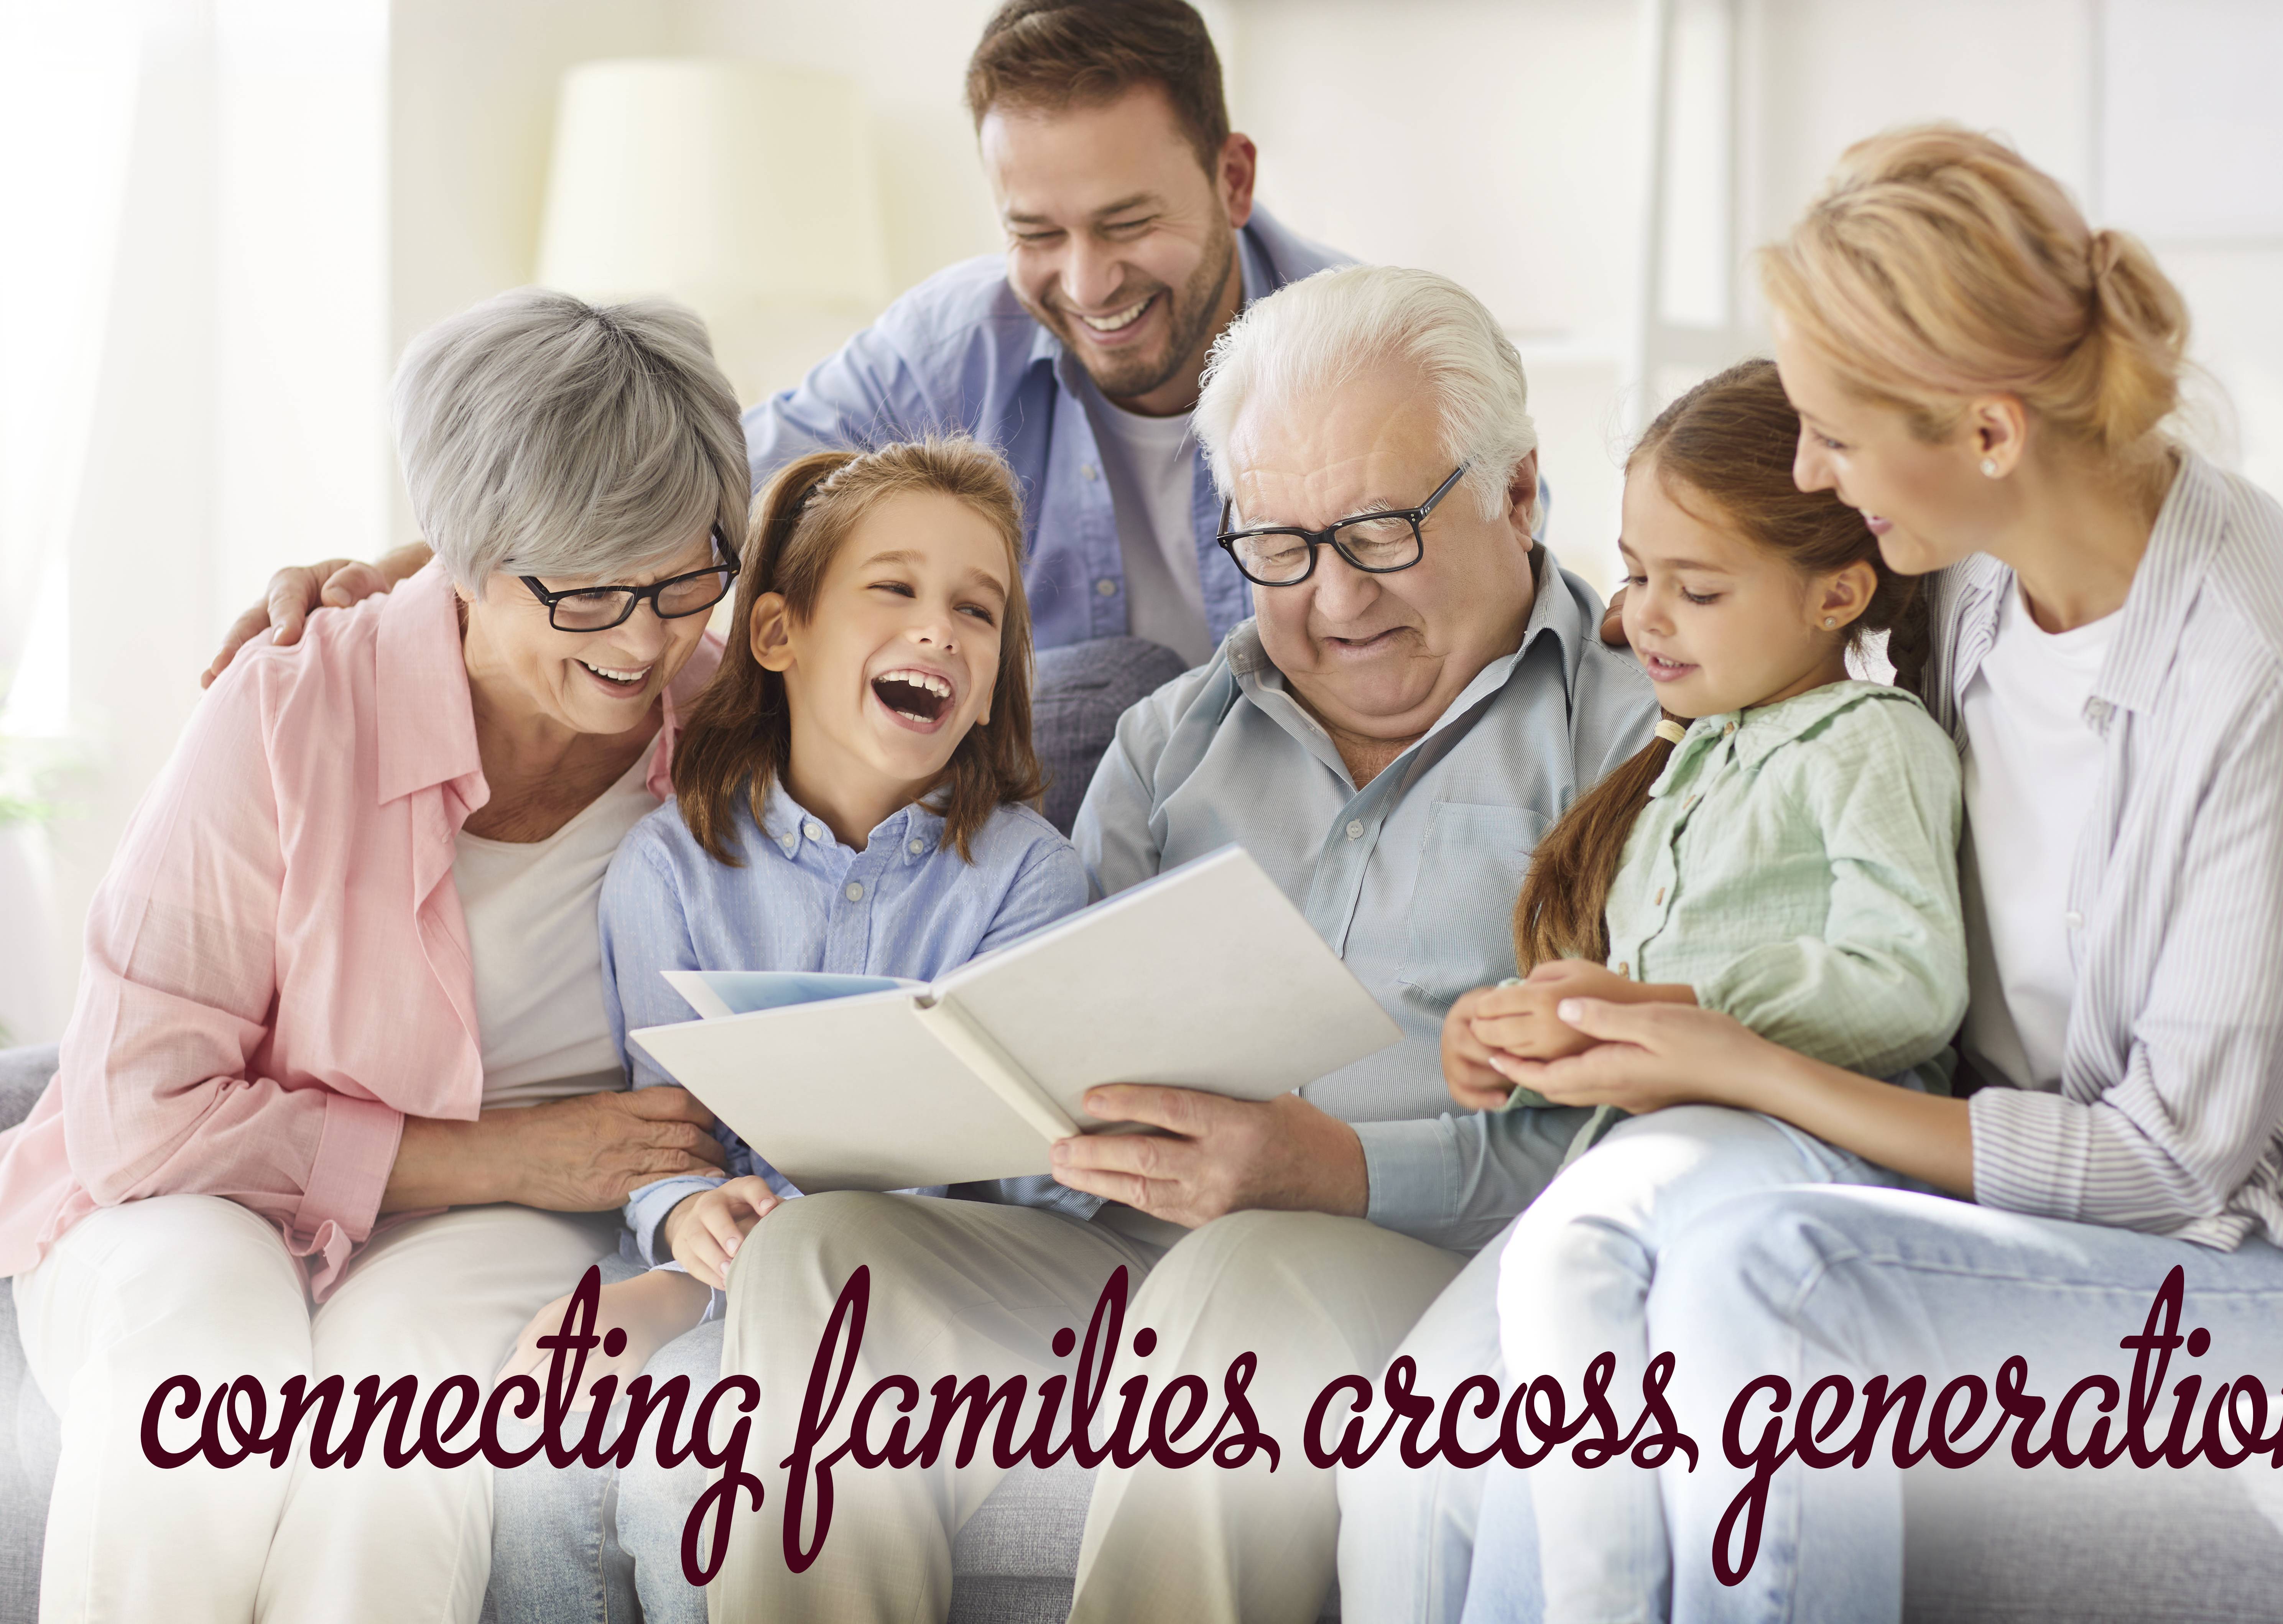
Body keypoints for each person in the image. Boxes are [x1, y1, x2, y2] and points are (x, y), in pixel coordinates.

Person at [1458, 125, 2283, 1623]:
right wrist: (1625, 1013)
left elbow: (2170, 1165)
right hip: (2032, 1221)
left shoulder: (2273, 678)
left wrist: (1744, 1063)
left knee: (1768, 1269)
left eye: (1834, 436)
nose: (1811, 472)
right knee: (1590, 1271)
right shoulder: (1977, 584)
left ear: (1989, 432)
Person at [702, 264, 1658, 1624]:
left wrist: (1333, 1169)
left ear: (1515, 493)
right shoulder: (1174, 741)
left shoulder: (1633, 736)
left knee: (1241, 1273)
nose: (1333, 601)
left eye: (1380, 532)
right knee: (823, 1257)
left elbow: (1651, 1121)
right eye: (1277, 547)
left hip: (1431, 1265)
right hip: (1133, 1259)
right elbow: (1066, 1026)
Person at [0, 288, 750, 1624]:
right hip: (189, 1201)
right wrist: (498, 1152)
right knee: (196, 1371)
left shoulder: (725, 734)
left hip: (521, 1233)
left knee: (404, 1424)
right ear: (458, 557)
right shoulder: (291, 705)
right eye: (588, 592)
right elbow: (136, 1111)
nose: (647, 639)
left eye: (686, 576)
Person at [206, 0, 1349, 685]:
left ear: (1232, 177)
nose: (1087, 282)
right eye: (1035, 232)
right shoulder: (957, 339)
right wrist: (400, 572)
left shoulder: (1367, 356)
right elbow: (697, 498)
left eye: (1129, 223)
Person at [1372, 358, 1967, 1624]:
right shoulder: (1672, 762)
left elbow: (1907, 978)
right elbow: (1626, 993)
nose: (1644, 615)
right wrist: (1515, 1034)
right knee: (1413, 1430)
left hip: (1797, 1133)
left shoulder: (1870, 741)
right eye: (1636, 574)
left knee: (1573, 1257)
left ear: (1836, 593)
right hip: (1646, 1145)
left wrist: (1665, 1005)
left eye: (1694, 589)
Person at [483, 437, 1092, 1624]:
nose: (941, 632)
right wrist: (682, 1219)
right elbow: (671, 1136)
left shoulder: (1029, 881)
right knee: (537, 1452)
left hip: (915, 1296)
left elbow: (1026, 1188)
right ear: (778, 636)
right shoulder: (669, 869)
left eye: (978, 610)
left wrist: (687, 1298)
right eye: (896, 589)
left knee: (684, 1480)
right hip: (708, 1266)